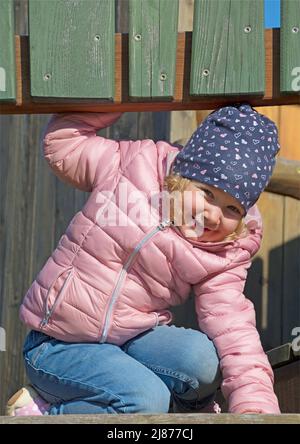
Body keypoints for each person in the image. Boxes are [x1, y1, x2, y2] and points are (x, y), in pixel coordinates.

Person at [7, 103, 281, 416]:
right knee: (144, 400)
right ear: (183, 174)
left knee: (202, 360)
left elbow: (234, 328)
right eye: (207, 193)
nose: (213, 215)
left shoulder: (223, 249)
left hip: (131, 341)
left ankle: (180, 411)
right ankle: (44, 412)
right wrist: (118, 100)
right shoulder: (131, 167)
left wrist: (256, 406)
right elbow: (63, 145)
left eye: (232, 209)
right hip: (59, 345)